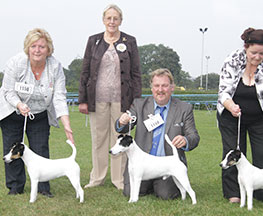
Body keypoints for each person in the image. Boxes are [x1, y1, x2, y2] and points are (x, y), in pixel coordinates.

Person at [0, 28, 74, 197]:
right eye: (33, 46)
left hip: (40, 113)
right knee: (13, 147)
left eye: (42, 46)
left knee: (41, 148)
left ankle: (43, 187)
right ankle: (15, 186)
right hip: (12, 111)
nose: (37, 50)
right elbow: (8, 91)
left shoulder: (55, 67)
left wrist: (67, 125)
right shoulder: (15, 63)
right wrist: (19, 104)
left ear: (48, 49)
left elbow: (59, 97)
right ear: (27, 47)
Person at [78, 4, 142, 190]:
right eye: (109, 18)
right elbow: (85, 71)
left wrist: (135, 103)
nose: (112, 22)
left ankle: (119, 179)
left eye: (115, 18)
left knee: (120, 138)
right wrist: (82, 99)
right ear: (103, 20)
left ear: (120, 21)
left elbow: (136, 73)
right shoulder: (93, 41)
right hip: (97, 100)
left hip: (122, 100)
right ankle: (97, 177)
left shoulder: (130, 41)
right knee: (98, 139)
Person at [217, 27, 263, 204]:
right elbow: (223, 92)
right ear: (246, 47)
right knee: (234, 151)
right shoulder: (232, 60)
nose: (257, 57)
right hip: (231, 115)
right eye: (254, 52)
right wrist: (231, 107)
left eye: (262, 53)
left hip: (259, 118)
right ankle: (234, 193)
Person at [116, 68, 200, 199]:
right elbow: (124, 127)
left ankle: (161, 185)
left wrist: (185, 140)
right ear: (151, 88)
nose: (160, 90)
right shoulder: (139, 105)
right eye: (156, 86)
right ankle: (150, 185)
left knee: (166, 195)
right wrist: (122, 122)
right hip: (142, 163)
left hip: (166, 164)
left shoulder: (184, 108)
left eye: (165, 86)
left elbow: (194, 136)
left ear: (172, 87)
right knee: (129, 192)